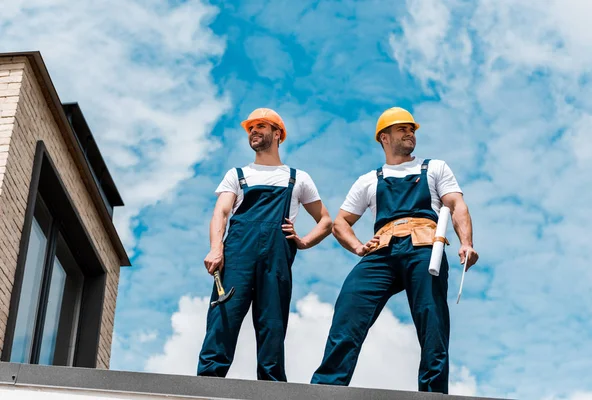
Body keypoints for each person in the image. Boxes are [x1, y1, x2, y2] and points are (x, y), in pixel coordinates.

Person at [310, 107, 479, 393]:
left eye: (411, 128)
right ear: (384, 138)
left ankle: (432, 395)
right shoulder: (369, 180)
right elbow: (340, 222)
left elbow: (456, 205)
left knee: (432, 321)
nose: (410, 133)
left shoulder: (434, 168)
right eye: (402, 129)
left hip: (425, 246)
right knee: (349, 308)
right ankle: (325, 390)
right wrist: (358, 247)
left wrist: (466, 242)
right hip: (382, 250)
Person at [197, 108, 333, 381]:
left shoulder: (298, 178)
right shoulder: (236, 175)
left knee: (272, 324)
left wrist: (304, 241)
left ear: (278, 134)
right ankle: (207, 385)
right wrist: (216, 248)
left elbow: (326, 221)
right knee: (223, 318)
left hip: (276, 258)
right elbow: (221, 213)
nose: (254, 131)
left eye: (261, 126)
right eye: (250, 128)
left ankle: (272, 388)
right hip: (237, 255)